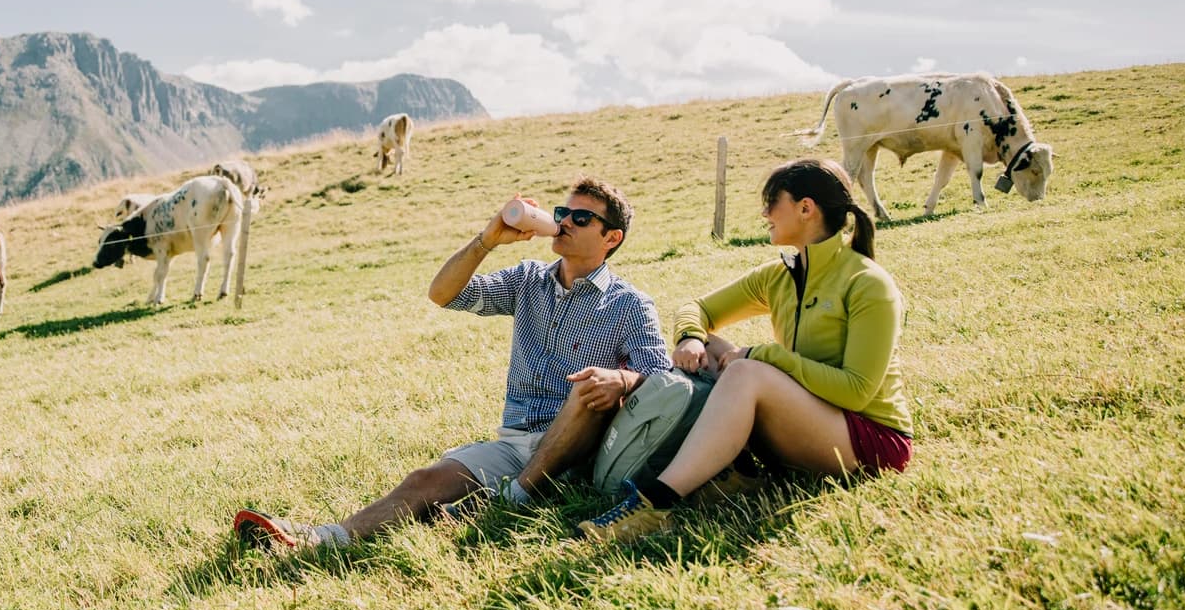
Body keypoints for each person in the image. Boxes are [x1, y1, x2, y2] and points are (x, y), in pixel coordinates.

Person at [234, 176, 672, 554]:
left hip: (579, 448)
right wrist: (487, 240)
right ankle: (323, 538)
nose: (564, 222)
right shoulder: (528, 280)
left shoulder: (629, 304)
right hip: (516, 442)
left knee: (588, 386)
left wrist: (621, 379)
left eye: (581, 218)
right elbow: (444, 294)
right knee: (426, 479)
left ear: (611, 238)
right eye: (563, 212)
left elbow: (662, 378)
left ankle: (513, 498)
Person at [578, 157, 913, 545]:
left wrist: (764, 356)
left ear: (806, 209)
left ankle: (655, 501)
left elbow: (856, 391)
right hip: (811, 422)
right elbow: (696, 309)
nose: (764, 212)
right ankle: (736, 473)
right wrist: (690, 335)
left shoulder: (867, 283)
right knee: (709, 347)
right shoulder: (779, 275)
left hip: (870, 442)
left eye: (773, 201)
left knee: (745, 372)